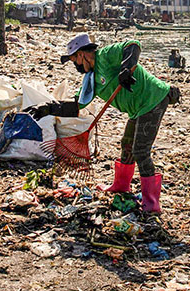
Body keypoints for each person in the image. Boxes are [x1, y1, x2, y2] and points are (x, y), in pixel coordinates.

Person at [28, 33, 178, 214]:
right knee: (127, 145)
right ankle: (121, 186)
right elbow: (77, 106)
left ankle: (151, 203)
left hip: (153, 99)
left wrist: (125, 68)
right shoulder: (91, 79)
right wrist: (49, 108)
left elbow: (133, 45)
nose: (75, 65)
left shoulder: (105, 55)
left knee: (140, 150)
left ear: (82, 54)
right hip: (136, 108)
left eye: (74, 59)